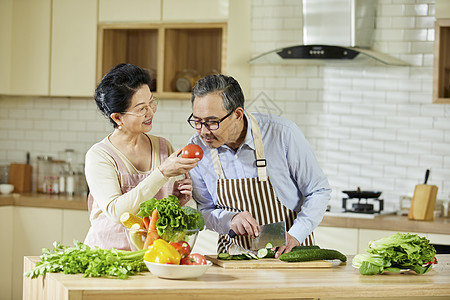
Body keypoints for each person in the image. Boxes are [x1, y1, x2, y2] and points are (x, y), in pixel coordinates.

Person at [187, 74, 331, 257]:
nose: (203, 131)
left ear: (237, 114)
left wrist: (296, 235)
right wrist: (229, 220)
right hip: (234, 258)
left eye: (212, 122)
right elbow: (204, 210)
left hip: (288, 255)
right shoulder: (197, 149)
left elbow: (319, 190)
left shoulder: (282, 134)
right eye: (197, 122)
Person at [84, 63, 199, 250]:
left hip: (152, 256)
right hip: (108, 256)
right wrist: (161, 173)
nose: (151, 112)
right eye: (141, 109)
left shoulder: (163, 147)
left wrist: (175, 200)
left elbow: (154, 215)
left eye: (151, 102)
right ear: (117, 118)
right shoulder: (100, 156)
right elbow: (117, 212)